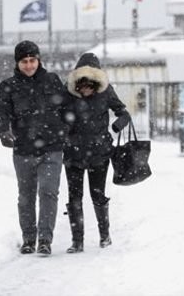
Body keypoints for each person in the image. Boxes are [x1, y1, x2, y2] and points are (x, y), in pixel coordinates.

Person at [0, 40, 70, 256]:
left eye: (32, 60)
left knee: (48, 192)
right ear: (17, 63)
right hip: (23, 149)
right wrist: (3, 132)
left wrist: (65, 130)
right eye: (24, 61)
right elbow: (1, 112)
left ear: (38, 60)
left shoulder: (52, 80)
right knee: (26, 195)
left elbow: (66, 108)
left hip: (52, 147)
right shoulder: (8, 86)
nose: (29, 65)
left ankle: (45, 239)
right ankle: (29, 238)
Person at [63, 52, 131, 253]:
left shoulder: (106, 92)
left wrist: (118, 125)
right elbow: (55, 116)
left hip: (99, 154)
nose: (85, 91)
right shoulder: (67, 95)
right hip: (73, 155)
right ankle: (77, 241)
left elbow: (124, 113)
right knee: (74, 197)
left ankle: (105, 235)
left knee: (97, 195)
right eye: (81, 86)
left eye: (89, 86)